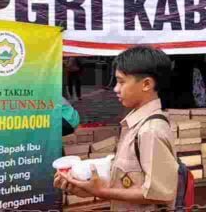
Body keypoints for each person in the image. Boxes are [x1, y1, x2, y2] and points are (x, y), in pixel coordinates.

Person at [55, 46, 178, 210]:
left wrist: (103, 191)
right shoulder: (134, 124)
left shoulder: (150, 130)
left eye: (121, 82)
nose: (115, 89)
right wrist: (85, 186)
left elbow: (160, 193)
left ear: (146, 84)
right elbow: (130, 180)